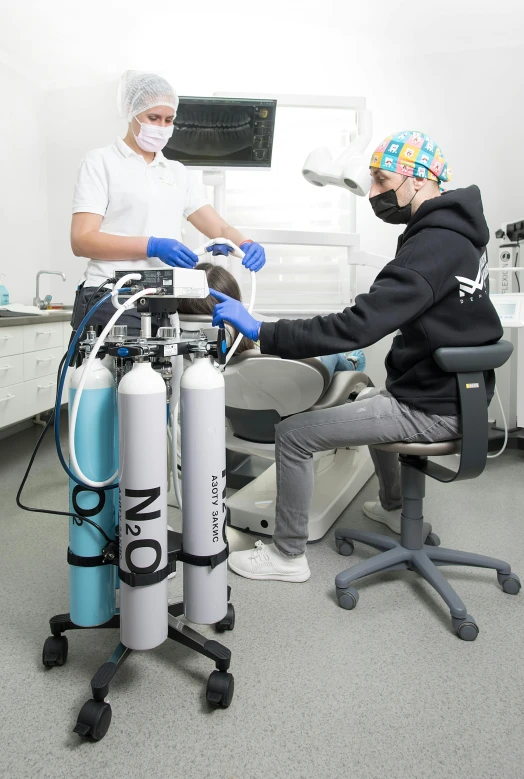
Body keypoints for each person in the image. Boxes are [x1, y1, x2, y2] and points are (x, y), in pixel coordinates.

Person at [210, 129, 503, 583]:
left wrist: (262, 330)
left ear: (420, 179)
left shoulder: (429, 246)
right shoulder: (460, 236)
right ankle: (393, 508)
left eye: (384, 181)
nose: (373, 193)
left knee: (292, 433)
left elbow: (356, 328)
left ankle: (287, 556)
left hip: (432, 409)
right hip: (457, 396)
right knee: (365, 399)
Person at [70, 70, 266, 336]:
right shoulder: (101, 162)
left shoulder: (176, 172)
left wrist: (245, 243)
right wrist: (152, 245)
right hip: (110, 296)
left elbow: (219, 229)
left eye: (168, 120)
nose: (161, 126)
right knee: (114, 376)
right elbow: (82, 240)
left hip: (162, 300)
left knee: (163, 376)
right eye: (153, 118)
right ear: (131, 110)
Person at [177, 262, 366, 376]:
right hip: (310, 374)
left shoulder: (186, 355)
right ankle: (352, 362)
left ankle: (349, 360)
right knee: (332, 351)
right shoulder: (255, 342)